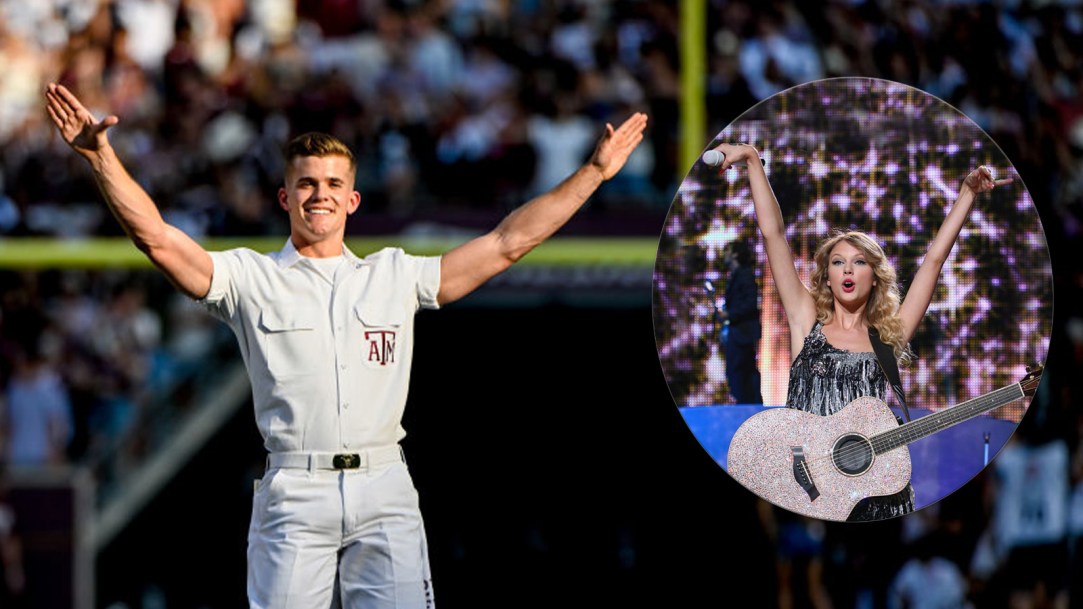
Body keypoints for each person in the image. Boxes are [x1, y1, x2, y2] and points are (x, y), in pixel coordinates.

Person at [45, 82, 647, 608]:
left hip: (385, 485)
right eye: (305, 183)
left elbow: (506, 243)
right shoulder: (249, 278)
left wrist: (592, 173)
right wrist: (101, 157)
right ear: (285, 198)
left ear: (353, 199)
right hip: (292, 491)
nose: (320, 194)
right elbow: (156, 238)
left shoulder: (393, 274)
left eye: (334, 183)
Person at [710, 142, 1010, 521]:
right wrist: (753, 160)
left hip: (875, 496)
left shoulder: (888, 334)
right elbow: (774, 236)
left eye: (858, 262)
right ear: (828, 276)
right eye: (838, 262)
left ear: (875, 276)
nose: (848, 270)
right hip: (806, 491)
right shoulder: (806, 319)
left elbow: (934, 260)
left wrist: (967, 193)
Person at [714, 240, 763, 405]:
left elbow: (750, 303)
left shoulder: (744, 274)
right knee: (740, 372)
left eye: (727, 250)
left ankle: (750, 407)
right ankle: (747, 406)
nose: (724, 254)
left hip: (744, 333)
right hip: (738, 332)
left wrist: (730, 314)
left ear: (735, 254)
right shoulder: (736, 276)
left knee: (742, 372)